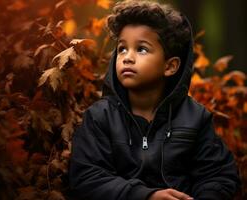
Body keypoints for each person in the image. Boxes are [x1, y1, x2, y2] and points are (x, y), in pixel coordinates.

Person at [69, 0, 240, 200]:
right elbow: (86, 178)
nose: (127, 57)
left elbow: (219, 175)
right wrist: (145, 196)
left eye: (141, 49)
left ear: (170, 66)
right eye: (122, 48)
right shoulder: (100, 117)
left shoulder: (195, 118)